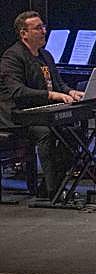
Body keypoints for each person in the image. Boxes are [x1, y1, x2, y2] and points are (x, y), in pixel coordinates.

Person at [0, 12, 83, 198]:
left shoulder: (46, 55)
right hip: (16, 116)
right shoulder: (12, 57)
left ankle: (53, 183)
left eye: (43, 27)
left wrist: (70, 92)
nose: (44, 31)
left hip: (40, 112)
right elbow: (18, 92)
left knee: (72, 131)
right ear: (24, 34)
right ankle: (51, 192)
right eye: (38, 28)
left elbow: (58, 84)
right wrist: (52, 95)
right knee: (45, 132)